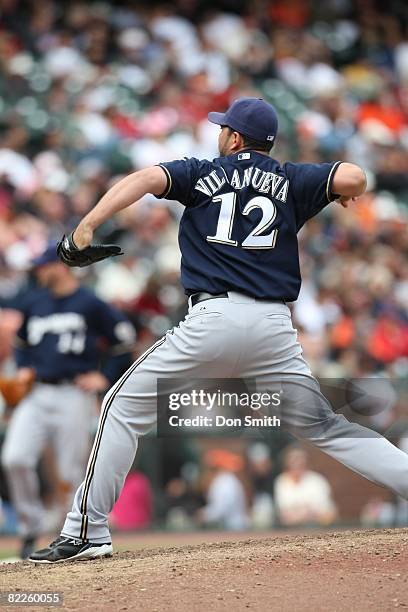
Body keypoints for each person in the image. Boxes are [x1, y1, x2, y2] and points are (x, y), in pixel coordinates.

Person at [30, 97, 408, 563]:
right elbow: (354, 175)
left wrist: (85, 226)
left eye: (222, 129)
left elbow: (146, 178)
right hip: (273, 329)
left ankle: (87, 532)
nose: (219, 134)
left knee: (121, 405)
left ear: (232, 138)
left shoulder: (202, 171)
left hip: (212, 320)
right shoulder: (292, 179)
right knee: (325, 425)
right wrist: (344, 188)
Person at [1, 244, 135, 558]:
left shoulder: (89, 303)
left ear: (60, 267)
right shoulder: (35, 301)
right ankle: (30, 527)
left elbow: (123, 340)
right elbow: (21, 342)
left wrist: (105, 378)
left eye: (43, 266)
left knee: (69, 471)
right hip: (36, 394)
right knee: (15, 458)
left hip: (73, 394)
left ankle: (71, 537)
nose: (38, 272)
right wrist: (22, 367)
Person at [274, 446, 337, 526]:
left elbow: (326, 512)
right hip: (292, 529)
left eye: (299, 460)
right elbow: (284, 512)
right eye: (293, 460)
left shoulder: (317, 480)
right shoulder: (281, 480)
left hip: (319, 527)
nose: (296, 463)